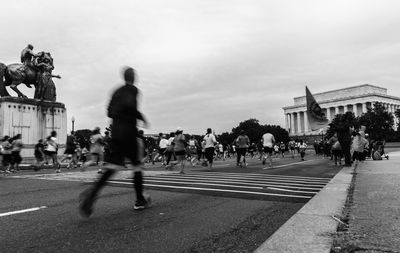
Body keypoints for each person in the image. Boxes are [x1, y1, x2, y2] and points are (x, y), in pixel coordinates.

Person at [79, 67, 150, 218]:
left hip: (116, 133)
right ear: (133, 77)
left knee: (112, 167)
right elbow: (130, 105)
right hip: (129, 133)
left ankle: (92, 194)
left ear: (124, 77)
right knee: (137, 166)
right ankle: (139, 199)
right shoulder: (133, 90)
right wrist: (140, 116)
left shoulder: (116, 92)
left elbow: (109, 112)